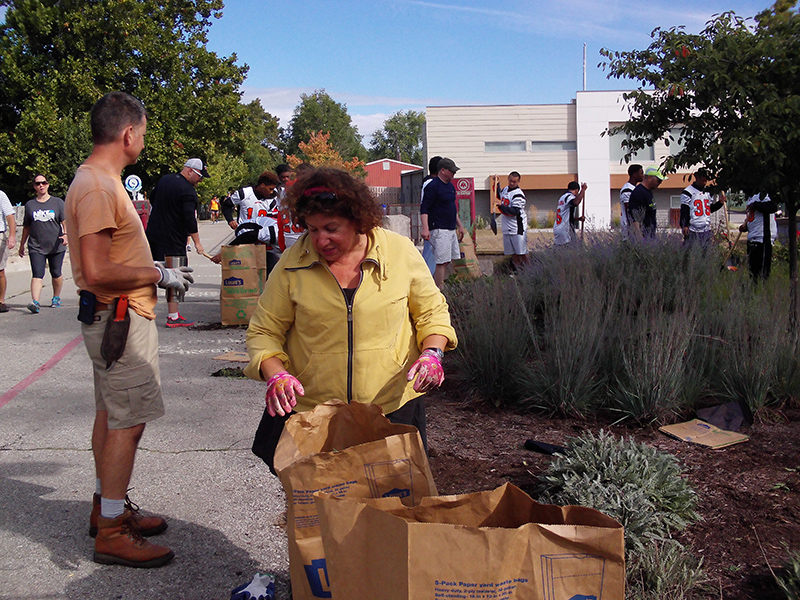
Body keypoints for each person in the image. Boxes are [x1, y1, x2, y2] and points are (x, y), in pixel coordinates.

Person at [244, 167, 458, 473]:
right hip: (313, 414)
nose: (320, 240)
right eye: (312, 229)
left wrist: (432, 353)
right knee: (319, 508)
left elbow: (431, 312)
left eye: (331, 228)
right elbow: (264, 331)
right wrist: (276, 373)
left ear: (359, 220)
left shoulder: (399, 253)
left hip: (390, 407)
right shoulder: (292, 264)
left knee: (389, 501)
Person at [65, 91, 193, 568]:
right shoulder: (99, 185)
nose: (142, 140)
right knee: (127, 422)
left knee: (111, 414)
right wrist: (158, 274)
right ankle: (113, 531)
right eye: (142, 132)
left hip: (113, 315)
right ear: (128, 134)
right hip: (118, 317)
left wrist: (150, 268)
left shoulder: (97, 179)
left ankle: (107, 508)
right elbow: (97, 271)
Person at [145, 158, 208, 327]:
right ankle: (173, 316)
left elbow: (152, 198)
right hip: (173, 240)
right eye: (200, 177)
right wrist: (197, 243)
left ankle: (143, 310)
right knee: (176, 276)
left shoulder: (165, 180)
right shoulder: (188, 191)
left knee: (150, 272)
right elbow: (189, 218)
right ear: (190, 171)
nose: (200, 181)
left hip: (152, 235)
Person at [19, 175, 68, 312]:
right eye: (38, 183)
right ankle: (35, 302)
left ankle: (56, 297)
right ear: (34, 186)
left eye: (44, 183)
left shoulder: (57, 203)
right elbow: (26, 227)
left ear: (48, 185)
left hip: (56, 245)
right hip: (36, 245)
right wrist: (21, 244)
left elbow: (65, 222)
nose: (41, 185)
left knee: (56, 272)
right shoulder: (30, 205)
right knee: (37, 273)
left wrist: (66, 235)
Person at [420, 157, 467, 288]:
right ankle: (438, 291)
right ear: (443, 170)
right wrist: (425, 228)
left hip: (450, 228)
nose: (454, 173)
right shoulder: (432, 186)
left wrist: (460, 226)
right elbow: (424, 208)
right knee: (440, 262)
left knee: (447, 260)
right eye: (452, 171)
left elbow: (452, 208)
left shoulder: (450, 186)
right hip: (439, 228)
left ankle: (437, 285)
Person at [680, 169, 726, 246]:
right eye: (702, 179)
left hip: (706, 229)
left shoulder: (708, 192)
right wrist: (684, 225)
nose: (704, 181)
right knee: (691, 253)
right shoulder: (688, 192)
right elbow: (684, 210)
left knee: (705, 254)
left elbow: (709, 209)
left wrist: (720, 203)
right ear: (696, 177)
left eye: (705, 179)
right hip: (693, 230)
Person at [739, 192, 779, 280]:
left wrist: (756, 205)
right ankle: (753, 291)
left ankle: (762, 291)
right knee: (752, 273)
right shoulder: (751, 198)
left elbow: (772, 207)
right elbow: (753, 218)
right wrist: (745, 227)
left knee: (762, 274)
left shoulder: (764, 195)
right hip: (752, 239)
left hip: (762, 239)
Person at [495, 171, 528, 267]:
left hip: (517, 227)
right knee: (513, 253)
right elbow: (499, 195)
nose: (512, 183)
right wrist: (497, 183)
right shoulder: (505, 189)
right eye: (510, 181)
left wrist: (501, 206)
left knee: (521, 252)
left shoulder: (518, 194)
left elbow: (513, 212)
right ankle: (517, 271)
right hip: (507, 227)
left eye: (514, 182)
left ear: (518, 182)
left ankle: (529, 271)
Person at [628, 166, 667, 238]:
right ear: (649, 178)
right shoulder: (639, 193)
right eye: (658, 180)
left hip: (650, 236)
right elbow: (635, 220)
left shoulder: (648, 191)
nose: (660, 183)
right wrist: (640, 241)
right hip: (643, 238)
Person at [553, 181, 587, 245]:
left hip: (558, 228)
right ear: (577, 190)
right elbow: (576, 202)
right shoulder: (569, 197)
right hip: (565, 229)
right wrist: (583, 190)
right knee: (572, 249)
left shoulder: (562, 198)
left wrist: (578, 219)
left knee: (559, 250)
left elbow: (566, 216)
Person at [0, 188, 17, 313]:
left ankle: (1, 301)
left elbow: (10, 216)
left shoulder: (0, 195)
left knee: (0, 271)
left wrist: (12, 236)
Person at [619, 164, 643, 240]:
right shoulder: (627, 189)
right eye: (641, 173)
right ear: (635, 174)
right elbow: (629, 210)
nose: (643, 175)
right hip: (629, 230)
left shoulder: (635, 188)